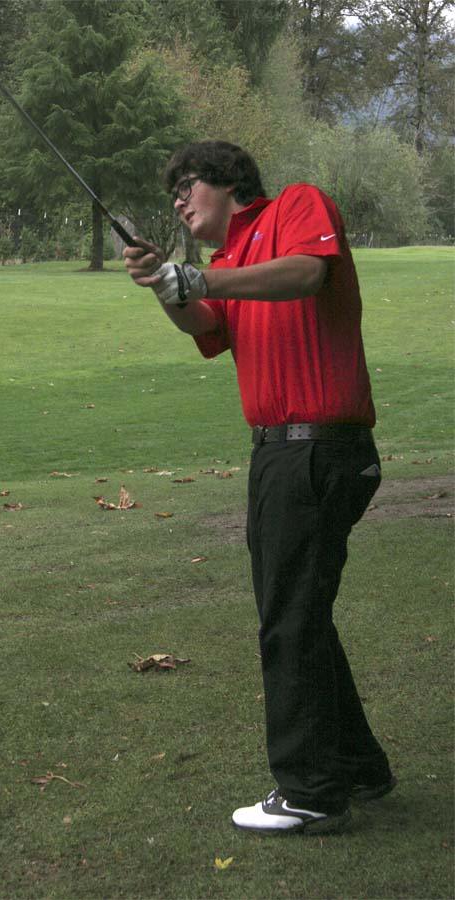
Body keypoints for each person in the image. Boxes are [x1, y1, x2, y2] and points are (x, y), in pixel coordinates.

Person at [123, 141, 395, 836]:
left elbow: (307, 274)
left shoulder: (296, 206)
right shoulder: (226, 265)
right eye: (173, 196)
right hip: (278, 455)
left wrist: (201, 281)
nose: (180, 203)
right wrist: (165, 285)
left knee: (290, 619)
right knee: (300, 610)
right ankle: (358, 766)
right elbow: (205, 327)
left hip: (320, 448)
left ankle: (309, 790)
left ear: (229, 181)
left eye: (187, 186)